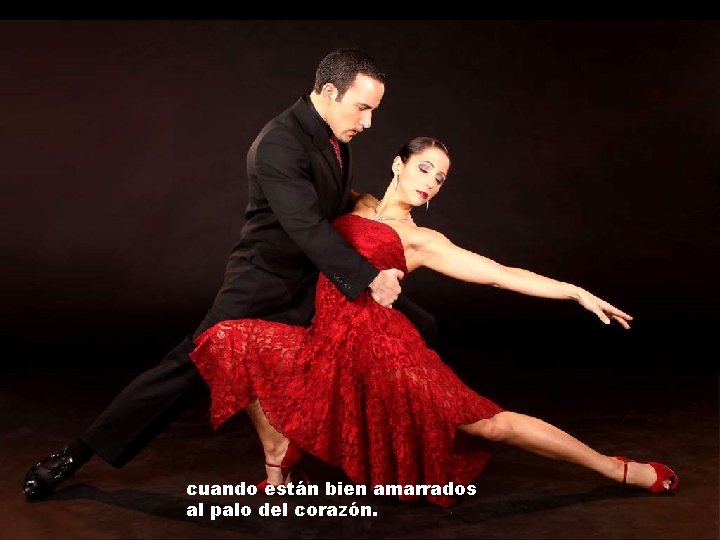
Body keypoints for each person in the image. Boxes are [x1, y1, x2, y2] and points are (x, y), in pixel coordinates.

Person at [22, 48, 439, 500]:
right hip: (263, 284)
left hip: (313, 280)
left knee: (418, 325)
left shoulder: (334, 135)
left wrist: (369, 207)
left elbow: (328, 197)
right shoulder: (280, 143)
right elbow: (305, 226)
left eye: (374, 110)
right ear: (329, 91)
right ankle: (76, 453)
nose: (368, 122)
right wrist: (369, 276)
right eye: (363, 108)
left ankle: (372, 442)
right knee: (186, 369)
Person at [189, 136, 679, 508]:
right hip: (328, 344)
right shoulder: (354, 203)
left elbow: (499, 274)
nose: (430, 182)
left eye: (440, 178)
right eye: (424, 168)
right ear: (398, 164)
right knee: (229, 338)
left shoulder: (422, 240)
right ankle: (278, 456)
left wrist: (574, 291)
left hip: (387, 353)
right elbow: (297, 189)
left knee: (491, 426)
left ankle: (617, 469)